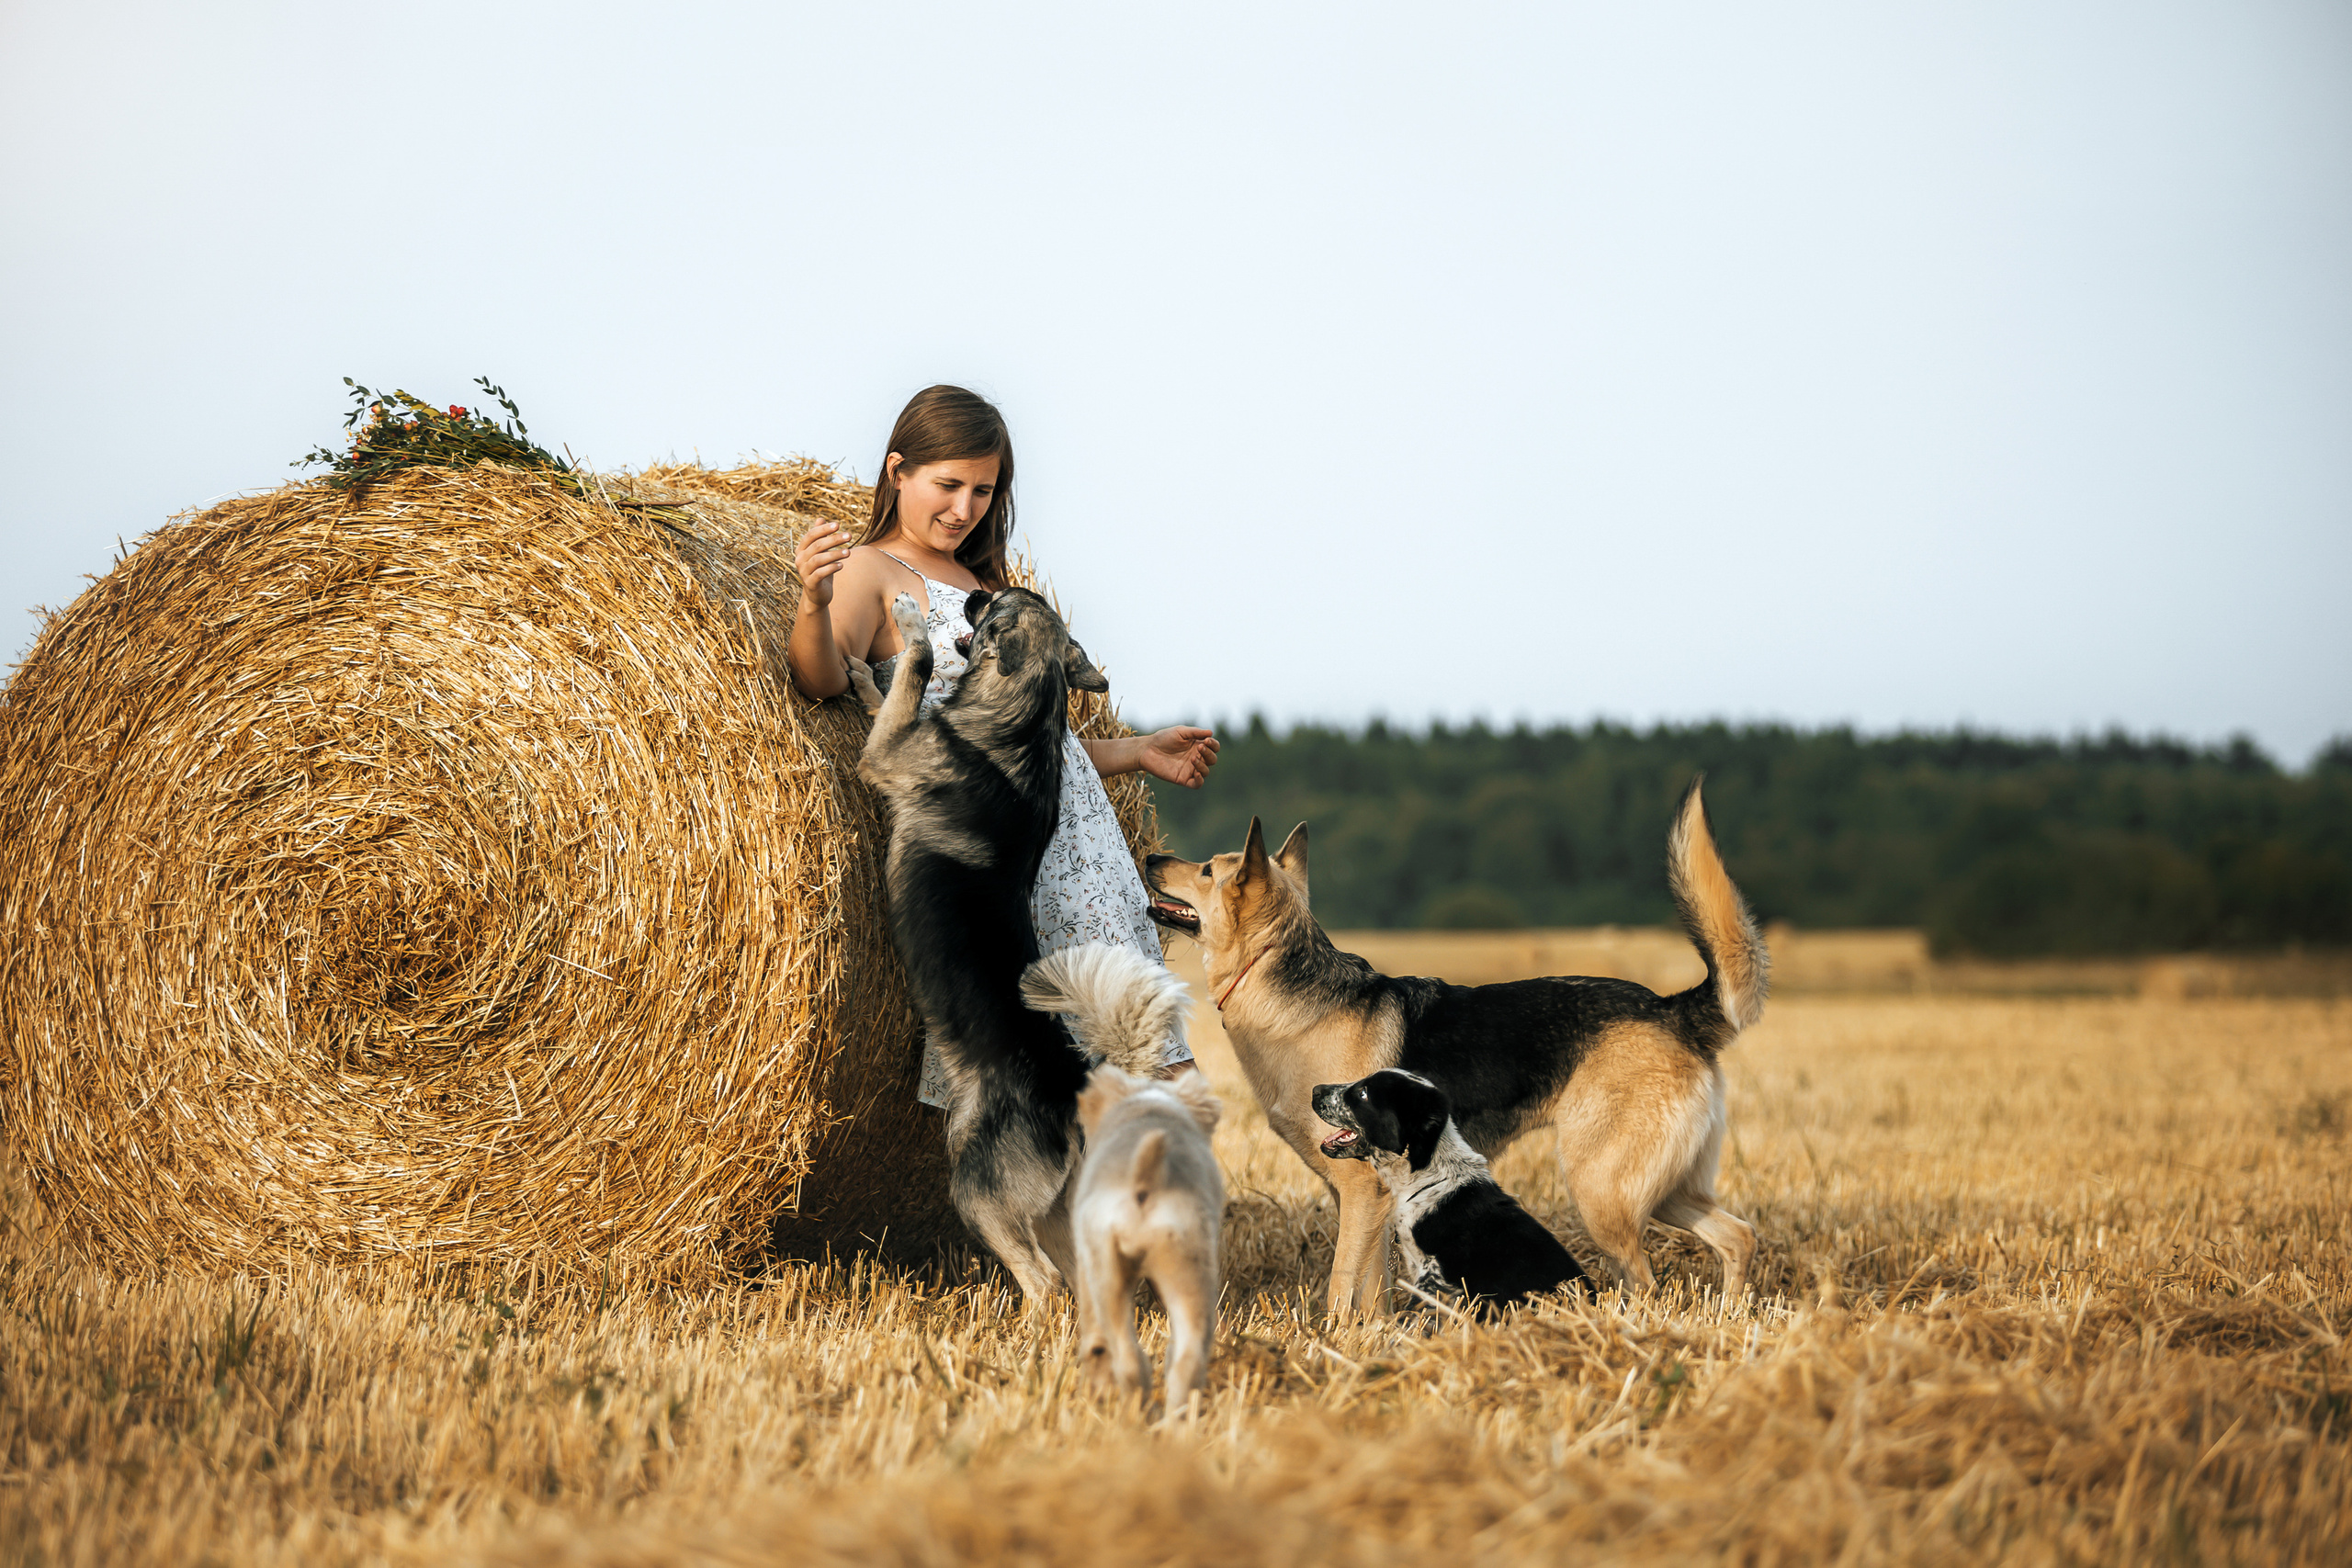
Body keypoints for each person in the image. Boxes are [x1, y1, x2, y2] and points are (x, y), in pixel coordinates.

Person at [786, 385, 1216, 1103]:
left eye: (984, 490)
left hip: (1086, 847)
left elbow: (1040, 744)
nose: (964, 509)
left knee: (1129, 1067)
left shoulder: (987, 581)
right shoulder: (872, 571)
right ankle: (1167, 1210)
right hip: (1017, 861)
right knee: (1137, 1074)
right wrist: (812, 599)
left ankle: (1140, 1211)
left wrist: (1137, 750)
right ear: (898, 472)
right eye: (948, 485)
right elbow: (821, 676)